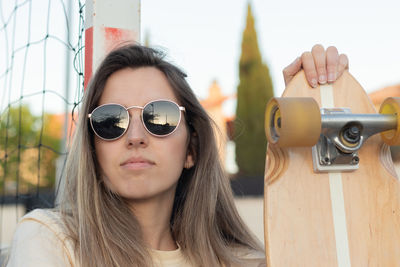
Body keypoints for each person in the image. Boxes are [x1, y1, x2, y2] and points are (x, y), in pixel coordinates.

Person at [5, 44, 348, 267]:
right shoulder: (50, 239)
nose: (135, 137)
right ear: (93, 149)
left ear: (192, 150)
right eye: (112, 121)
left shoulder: (245, 262)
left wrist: (307, 129)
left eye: (160, 118)